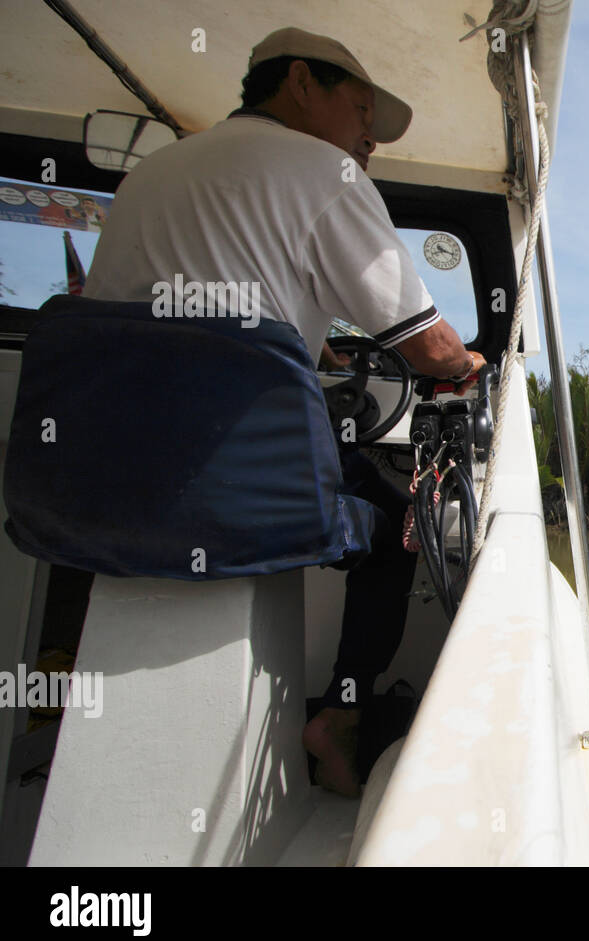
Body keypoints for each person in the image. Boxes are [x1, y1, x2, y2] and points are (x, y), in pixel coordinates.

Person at [82, 27, 486, 796]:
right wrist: (468, 363)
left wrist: (311, 349)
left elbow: (179, 312)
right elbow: (428, 347)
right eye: (362, 111)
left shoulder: (153, 173)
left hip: (104, 472)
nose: (368, 138)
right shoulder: (322, 170)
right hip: (229, 480)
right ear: (300, 82)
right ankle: (338, 717)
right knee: (397, 531)